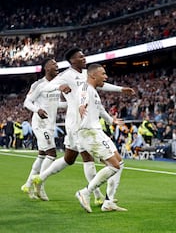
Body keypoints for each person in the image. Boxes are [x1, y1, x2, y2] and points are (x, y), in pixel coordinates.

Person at [31, 47, 135, 204]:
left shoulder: (87, 74)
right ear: (72, 60)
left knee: (69, 159)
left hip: (85, 119)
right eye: (80, 57)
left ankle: (40, 178)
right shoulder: (66, 75)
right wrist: (59, 87)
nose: (84, 58)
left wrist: (120, 89)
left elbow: (100, 84)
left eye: (84, 56)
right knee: (88, 157)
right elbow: (46, 87)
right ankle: (96, 195)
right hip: (76, 122)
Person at [75, 63, 130, 213]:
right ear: (93, 75)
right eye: (103, 74)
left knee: (119, 162)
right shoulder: (85, 89)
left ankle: (109, 202)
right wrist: (81, 106)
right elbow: (82, 99)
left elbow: (100, 110)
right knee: (114, 165)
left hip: (96, 131)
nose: (105, 77)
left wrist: (112, 121)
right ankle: (84, 192)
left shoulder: (94, 91)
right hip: (89, 132)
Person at [21, 58, 64, 200]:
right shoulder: (38, 84)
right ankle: (40, 185)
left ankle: (27, 184)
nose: (56, 65)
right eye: (53, 64)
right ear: (46, 68)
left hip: (50, 125)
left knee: (41, 155)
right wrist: (37, 109)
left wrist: (73, 105)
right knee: (51, 154)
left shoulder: (57, 85)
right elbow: (27, 102)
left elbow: (57, 103)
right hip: (40, 124)